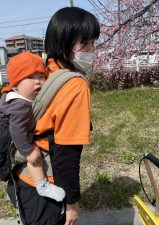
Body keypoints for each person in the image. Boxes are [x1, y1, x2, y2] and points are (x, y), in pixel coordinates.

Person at [7, 6, 100, 225]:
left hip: (22, 181)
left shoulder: (43, 72)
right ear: (62, 45)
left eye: (93, 43)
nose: (91, 50)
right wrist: (72, 203)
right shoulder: (75, 85)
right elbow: (67, 152)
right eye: (84, 43)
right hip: (48, 189)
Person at [0, 52, 66, 202]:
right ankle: (42, 186)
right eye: (30, 77)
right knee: (36, 157)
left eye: (41, 76)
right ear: (16, 84)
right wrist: (28, 151)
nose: (38, 82)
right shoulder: (20, 105)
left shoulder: (16, 97)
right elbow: (17, 131)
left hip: (18, 141)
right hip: (18, 145)